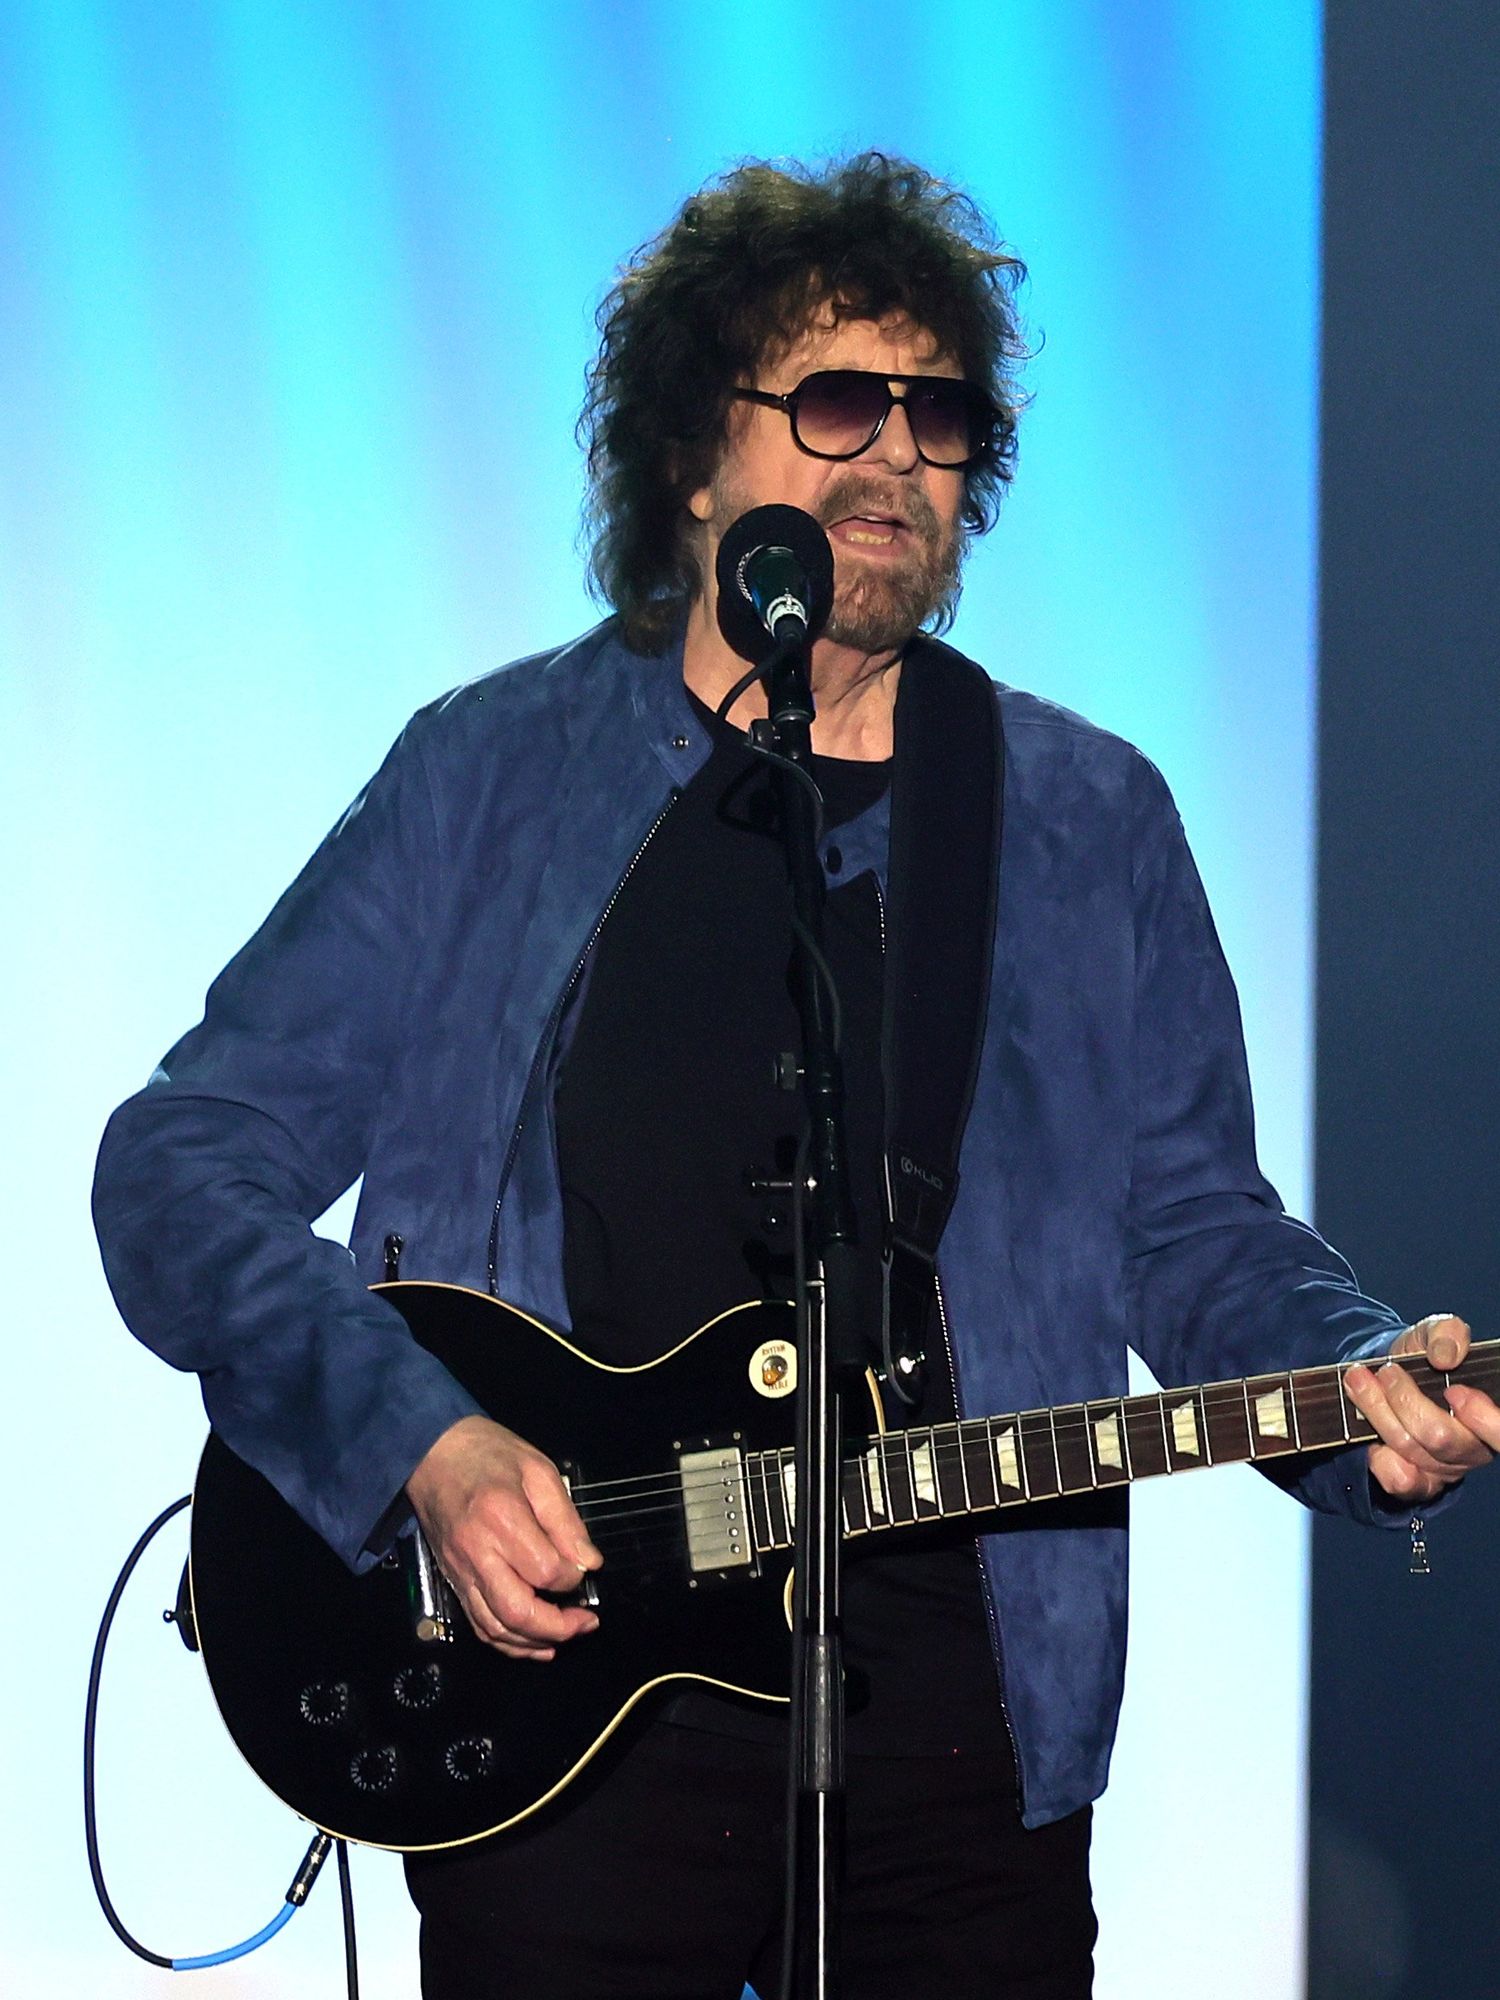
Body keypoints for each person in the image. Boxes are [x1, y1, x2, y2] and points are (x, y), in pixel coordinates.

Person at [93, 154, 1498, 2000]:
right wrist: (416, 1444)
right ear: (694, 461)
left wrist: (1347, 1377)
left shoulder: (1082, 817)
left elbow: (1189, 1220)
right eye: (836, 399)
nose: (896, 454)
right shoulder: (486, 778)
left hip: (957, 1729)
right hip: (558, 1719)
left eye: (939, 414)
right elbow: (183, 1161)